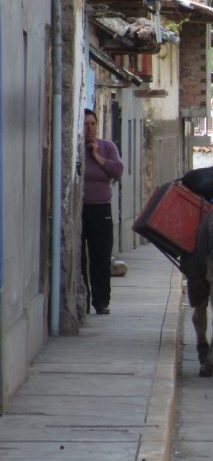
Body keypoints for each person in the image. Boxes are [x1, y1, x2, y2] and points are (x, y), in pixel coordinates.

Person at [82, 108, 123, 315]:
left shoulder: (107, 147)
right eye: (85, 124)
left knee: (101, 257)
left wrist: (96, 155)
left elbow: (117, 170)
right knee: (81, 258)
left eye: (92, 124)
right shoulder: (76, 149)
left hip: (101, 209)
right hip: (81, 210)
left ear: (97, 126)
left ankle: (101, 301)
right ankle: (83, 299)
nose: (89, 128)